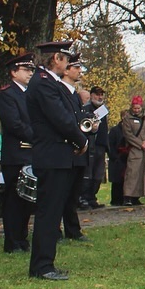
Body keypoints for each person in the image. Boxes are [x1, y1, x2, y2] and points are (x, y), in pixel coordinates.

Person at [26, 41, 86, 281]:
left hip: (58, 156)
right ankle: (42, 266)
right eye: (66, 59)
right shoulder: (43, 83)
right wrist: (81, 140)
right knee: (48, 213)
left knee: (53, 212)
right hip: (51, 157)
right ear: (56, 59)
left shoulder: (50, 83)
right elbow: (61, 118)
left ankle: (45, 263)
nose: (68, 63)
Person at [0, 53, 36, 253]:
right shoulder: (7, 94)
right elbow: (14, 124)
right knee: (13, 200)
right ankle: (12, 242)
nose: (30, 73)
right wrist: (38, 136)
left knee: (26, 201)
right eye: (26, 70)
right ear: (14, 72)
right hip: (16, 154)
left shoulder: (30, 94)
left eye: (31, 70)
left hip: (30, 155)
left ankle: (22, 238)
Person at [58, 57, 88, 242]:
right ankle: (56, 231)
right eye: (76, 67)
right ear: (66, 70)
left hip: (78, 152)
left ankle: (73, 230)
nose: (79, 70)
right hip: (65, 150)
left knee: (72, 195)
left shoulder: (75, 94)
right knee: (60, 194)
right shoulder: (59, 91)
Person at [120, 96, 145, 205]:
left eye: (138, 108)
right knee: (132, 173)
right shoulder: (127, 118)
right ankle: (128, 196)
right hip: (135, 149)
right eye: (135, 108)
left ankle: (138, 196)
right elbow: (128, 135)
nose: (136, 110)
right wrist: (141, 144)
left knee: (143, 173)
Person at [81, 86, 108, 208]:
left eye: (101, 95)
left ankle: (92, 198)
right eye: (97, 94)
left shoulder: (103, 110)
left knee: (98, 175)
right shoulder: (86, 109)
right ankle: (83, 198)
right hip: (90, 146)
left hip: (101, 146)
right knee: (88, 174)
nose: (100, 97)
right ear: (91, 95)